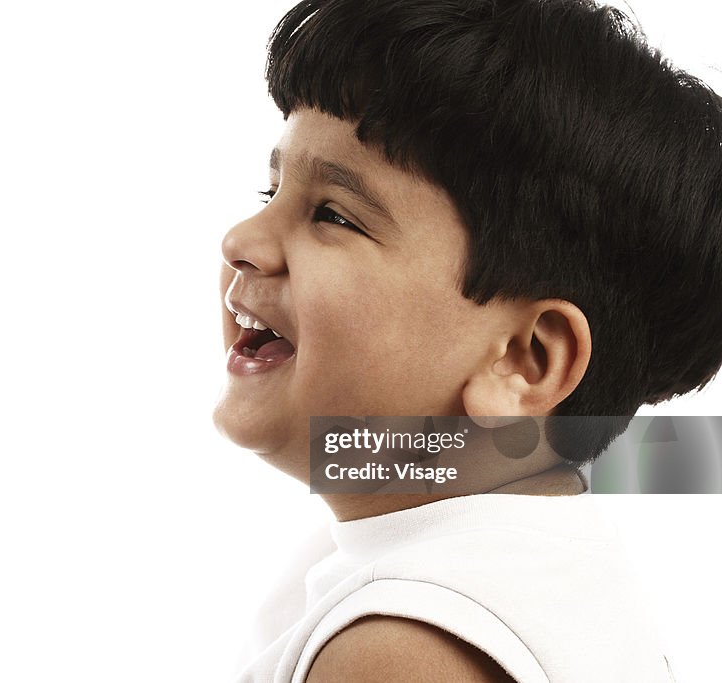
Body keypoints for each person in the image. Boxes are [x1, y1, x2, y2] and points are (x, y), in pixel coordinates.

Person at [213, 0, 722, 680]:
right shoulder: (538, 564)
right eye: (269, 189)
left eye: (333, 213)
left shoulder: (402, 648)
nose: (241, 240)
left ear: (523, 359)